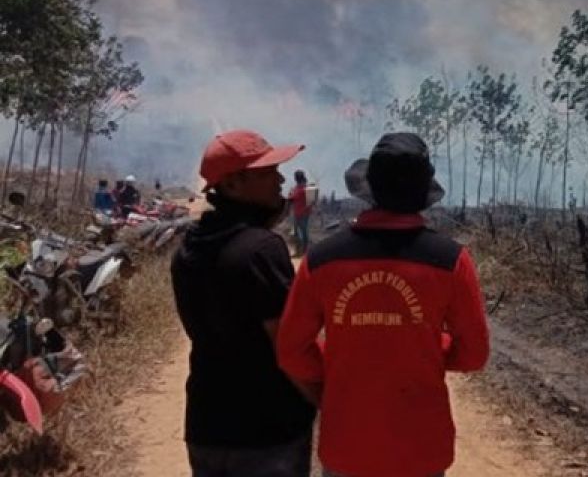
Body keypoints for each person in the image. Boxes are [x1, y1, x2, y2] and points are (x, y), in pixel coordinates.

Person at [277, 132, 489, 477]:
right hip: (421, 448)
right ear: (424, 193)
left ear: (370, 190)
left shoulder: (321, 259)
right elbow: (474, 354)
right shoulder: (452, 260)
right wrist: (426, 344)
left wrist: (342, 359)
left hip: (348, 444)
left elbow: (291, 350)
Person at [171, 129, 316, 477]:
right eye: (266, 173)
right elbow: (289, 348)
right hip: (265, 432)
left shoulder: (189, 250)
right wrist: (325, 401)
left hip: (207, 425)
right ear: (233, 185)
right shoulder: (261, 249)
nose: (280, 180)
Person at [288, 170, 313, 255]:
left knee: (300, 233)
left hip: (301, 214)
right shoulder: (301, 187)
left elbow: (292, 198)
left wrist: (290, 194)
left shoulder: (301, 189)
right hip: (301, 213)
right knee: (301, 233)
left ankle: (302, 251)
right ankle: (302, 251)